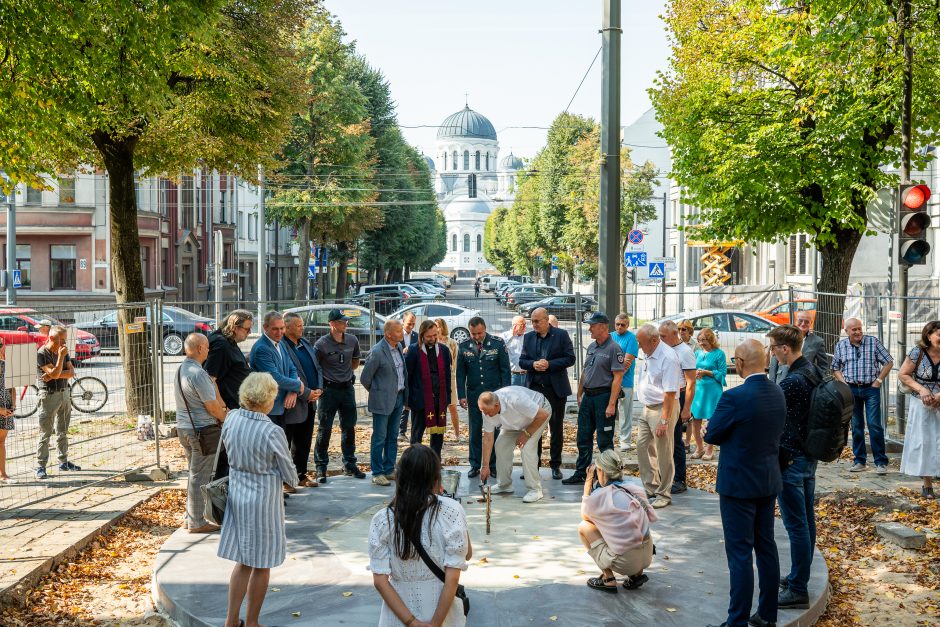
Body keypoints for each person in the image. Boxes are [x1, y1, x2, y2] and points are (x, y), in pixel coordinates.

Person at [703, 340, 785, 627]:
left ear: (738, 362)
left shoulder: (733, 397)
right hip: (767, 480)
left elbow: (712, 434)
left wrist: (710, 429)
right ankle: (767, 614)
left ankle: (736, 620)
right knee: (766, 547)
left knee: (739, 553)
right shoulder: (777, 391)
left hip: (738, 485)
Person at [218, 372, 299, 627]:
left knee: (243, 562)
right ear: (269, 398)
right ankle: (252, 622)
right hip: (263, 502)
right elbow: (291, 477)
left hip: (237, 495)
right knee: (262, 564)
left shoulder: (231, 419)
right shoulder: (271, 430)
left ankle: (231, 620)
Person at [369, 444, 471, 626]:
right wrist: (436, 623)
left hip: (398, 614)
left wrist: (412, 622)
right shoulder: (451, 510)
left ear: (400, 477)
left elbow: (380, 581)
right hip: (442, 610)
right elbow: (459, 565)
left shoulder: (382, 519)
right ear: (435, 477)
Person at [767, 324, 820, 611]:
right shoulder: (811, 371)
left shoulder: (792, 382)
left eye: (773, 348)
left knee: (796, 525)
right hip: (807, 456)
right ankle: (799, 576)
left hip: (790, 459)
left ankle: (798, 588)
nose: (772, 353)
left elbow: (774, 415)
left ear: (785, 348)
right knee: (806, 521)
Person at [578, 449, 657, 593]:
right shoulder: (635, 489)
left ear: (601, 471)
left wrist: (588, 484)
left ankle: (608, 579)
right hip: (646, 558)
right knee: (634, 525)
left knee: (584, 527)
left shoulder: (600, 496)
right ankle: (636, 575)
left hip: (625, 562)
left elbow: (585, 515)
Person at [249, 311, 310, 494]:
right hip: (268, 408)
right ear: (265, 328)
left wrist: (293, 388)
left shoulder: (280, 344)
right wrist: (299, 386)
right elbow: (274, 377)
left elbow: (291, 368)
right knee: (269, 452)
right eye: (275, 329)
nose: (279, 332)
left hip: (281, 406)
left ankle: (277, 488)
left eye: (282, 328)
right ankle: (271, 491)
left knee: (278, 450)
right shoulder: (261, 348)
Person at [562, 312, 625, 486]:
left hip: (603, 397)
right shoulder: (592, 347)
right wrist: (580, 392)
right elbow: (585, 372)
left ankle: (609, 474)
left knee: (604, 439)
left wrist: (612, 404)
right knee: (583, 436)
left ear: (603, 327)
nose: (589, 328)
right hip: (588, 397)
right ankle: (581, 472)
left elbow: (617, 378)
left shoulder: (614, 349)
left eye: (592, 325)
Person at [175, 334, 229, 533]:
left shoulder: (182, 368)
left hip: (185, 428)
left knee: (194, 473)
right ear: (199, 349)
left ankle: (190, 517)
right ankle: (196, 522)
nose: (209, 351)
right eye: (207, 347)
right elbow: (212, 407)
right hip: (202, 431)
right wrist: (225, 417)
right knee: (200, 476)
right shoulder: (199, 374)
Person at [831, 317, 893, 474]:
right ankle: (860, 461)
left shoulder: (873, 342)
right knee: (857, 427)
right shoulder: (841, 345)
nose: (858, 332)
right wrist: (843, 383)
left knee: (874, 425)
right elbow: (835, 368)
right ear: (847, 332)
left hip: (871, 388)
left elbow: (889, 361)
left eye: (859, 328)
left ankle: (881, 462)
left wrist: (878, 380)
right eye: (854, 329)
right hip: (851, 389)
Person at [520, 307, 575, 479]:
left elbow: (570, 358)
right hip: (535, 390)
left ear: (546, 320)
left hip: (555, 389)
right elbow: (522, 360)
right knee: (534, 429)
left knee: (556, 428)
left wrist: (550, 364)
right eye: (532, 321)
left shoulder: (561, 335)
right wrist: (533, 364)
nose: (534, 324)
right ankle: (532, 465)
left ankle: (555, 465)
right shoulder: (528, 337)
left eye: (537, 321)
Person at [633, 324, 681, 508]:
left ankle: (664, 494)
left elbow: (669, 393)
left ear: (654, 341)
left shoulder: (668, 357)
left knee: (664, 452)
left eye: (641, 342)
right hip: (647, 407)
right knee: (642, 446)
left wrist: (664, 420)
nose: (638, 346)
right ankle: (651, 487)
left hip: (663, 408)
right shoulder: (648, 350)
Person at [455, 316, 510, 478]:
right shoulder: (464, 346)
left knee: (494, 431)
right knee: (474, 431)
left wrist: (504, 395)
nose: (477, 337)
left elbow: (505, 370)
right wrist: (461, 395)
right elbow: (460, 373)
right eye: (473, 334)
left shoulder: (497, 343)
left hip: (494, 398)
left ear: (484, 328)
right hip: (473, 395)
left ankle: (493, 465)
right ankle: (474, 464)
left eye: (479, 333)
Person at [314, 309, 364, 481]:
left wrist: (345, 374)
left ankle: (349, 464)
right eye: (342, 321)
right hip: (329, 391)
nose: (346, 324)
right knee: (324, 428)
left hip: (347, 389)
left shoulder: (352, 340)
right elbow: (316, 367)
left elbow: (355, 362)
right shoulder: (321, 344)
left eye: (346, 321)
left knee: (349, 427)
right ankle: (321, 467)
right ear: (332, 324)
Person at [478, 387, 552, 502]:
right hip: (514, 422)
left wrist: (527, 434)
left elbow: (543, 415)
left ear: (497, 405)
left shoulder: (516, 400)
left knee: (527, 448)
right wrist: (485, 466)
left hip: (537, 415)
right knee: (501, 445)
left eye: (487, 411)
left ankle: (535, 489)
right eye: (483, 411)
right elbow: (487, 439)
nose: (485, 415)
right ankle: (504, 485)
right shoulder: (487, 410)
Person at [205, 309, 255, 479]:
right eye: (247, 329)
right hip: (229, 410)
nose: (249, 333)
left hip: (236, 407)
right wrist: (222, 408)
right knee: (226, 458)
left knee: (234, 456)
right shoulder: (221, 345)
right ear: (234, 326)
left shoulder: (228, 341)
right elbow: (210, 379)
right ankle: (223, 497)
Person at [361, 320, 408, 487]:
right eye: (398, 331)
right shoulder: (377, 351)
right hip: (382, 401)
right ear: (388, 334)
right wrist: (379, 392)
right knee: (379, 437)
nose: (402, 333)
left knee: (392, 437)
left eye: (401, 330)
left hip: (399, 398)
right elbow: (365, 378)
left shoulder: (398, 348)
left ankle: (389, 469)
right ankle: (377, 472)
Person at [897, 320, 940, 499]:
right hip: (921, 404)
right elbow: (903, 374)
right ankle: (927, 484)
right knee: (925, 442)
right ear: (928, 336)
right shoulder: (918, 352)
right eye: (939, 334)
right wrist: (922, 390)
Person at [282, 312, 324, 488]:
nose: (302, 328)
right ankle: (286, 480)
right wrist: (305, 392)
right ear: (287, 327)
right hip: (293, 402)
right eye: (298, 325)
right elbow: (288, 374)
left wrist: (319, 388)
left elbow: (317, 367)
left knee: (304, 441)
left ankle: (300, 475)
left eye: (301, 325)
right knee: (287, 441)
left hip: (311, 400)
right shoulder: (283, 346)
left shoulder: (305, 343)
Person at [34, 325, 77, 479]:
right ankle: (41, 466)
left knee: (63, 430)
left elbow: (71, 373)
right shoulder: (42, 353)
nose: (65, 344)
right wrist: (57, 367)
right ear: (52, 338)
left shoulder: (63, 350)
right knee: (45, 432)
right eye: (62, 340)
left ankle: (63, 461)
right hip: (49, 395)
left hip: (64, 393)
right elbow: (56, 371)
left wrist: (53, 375)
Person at [659, 320, 697, 494]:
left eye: (663, 336)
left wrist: (686, 408)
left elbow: (691, 383)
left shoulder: (686, 352)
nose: (660, 339)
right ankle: (665, 475)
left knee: (675, 440)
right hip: (665, 395)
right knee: (663, 438)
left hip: (678, 395)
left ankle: (680, 479)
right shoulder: (664, 348)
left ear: (674, 334)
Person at [406, 320, 454, 458]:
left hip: (440, 399)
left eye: (435, 335)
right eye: (429, 336)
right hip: (420, 400)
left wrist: (448, 398)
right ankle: (415, 462)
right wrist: (408, 400)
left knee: (438, 435)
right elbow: (408, 376)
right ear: (422, 335)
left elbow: (447, 376)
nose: (433, 339)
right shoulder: (414, 350)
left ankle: (435, 461)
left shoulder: (444, 351)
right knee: (417, 435)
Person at [689, 328, 726, 462]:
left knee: (711, 420)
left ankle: (710, 448)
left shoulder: (719, 354)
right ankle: (699, 448)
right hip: (698, 390)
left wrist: (707, 372)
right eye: (699, 340)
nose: (701, 343)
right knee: (696, 419)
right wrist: (696, 373)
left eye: (703, 340)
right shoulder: (697, 353)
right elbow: (691, 369)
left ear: (710, 340)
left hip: (713, 390)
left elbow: (722, 374)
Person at [769, 310, 830, 383]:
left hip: (803, 382)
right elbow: (774, 360)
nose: (803, 324)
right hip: (782, 379)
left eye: (807, 322)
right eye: (800, 321)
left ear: (811, 323)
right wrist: (771, 382)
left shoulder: (817, 342)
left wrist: (816, 381)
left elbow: (823, 366)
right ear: (795, 320)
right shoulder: (784, 336)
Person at [611, 314, 639, 452]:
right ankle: (607, 439)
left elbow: (627, 362)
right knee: (608, 411)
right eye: (617, 324)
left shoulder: (631, 338)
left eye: (623, 324)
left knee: (625, 412)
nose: (619, 327)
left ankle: (625, 441)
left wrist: (612, 366)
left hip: (625, 381)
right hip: (609, 381)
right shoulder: (609, 336)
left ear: (627, 325)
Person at [435, 318, 461, 439]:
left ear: (443, 327)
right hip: (436, 378)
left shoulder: (451, 342)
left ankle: (457, 433)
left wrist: (452, 374)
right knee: (438, 407)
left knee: (452, 406)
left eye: (438, 326)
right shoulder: (432, 342)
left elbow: (455, 360)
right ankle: (439, 433)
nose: (436, 329)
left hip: (449, 377)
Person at [398, 312, 419, 440]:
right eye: (409, 323)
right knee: (403, 401)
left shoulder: (416, 336)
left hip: (413, 373)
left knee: (412, 400)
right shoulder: (398, 335)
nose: (411, 326)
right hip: (400, 372)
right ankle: (401, 430)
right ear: (403, 322)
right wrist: (403, 351)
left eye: (413, 324)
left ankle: (414, 431)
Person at [0, 338, 15, 483]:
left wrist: (13, 406)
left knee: (1, 442)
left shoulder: (6, 366)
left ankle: (3, 474)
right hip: (1, 410)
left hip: (6, 409)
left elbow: (12, 387)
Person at [502, 315, 528, 387]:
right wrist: (512, 334)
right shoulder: (505, 336)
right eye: (522, 325)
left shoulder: (527, 336)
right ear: (514, 326)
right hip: (513, 375)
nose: (525, 327)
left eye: (525, 324)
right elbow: (501, 348)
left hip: (527, 375)